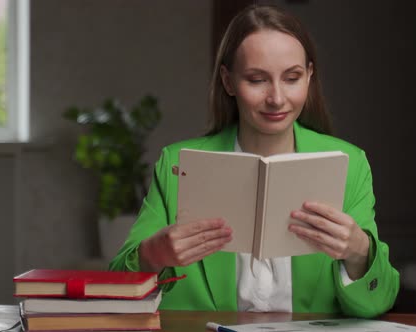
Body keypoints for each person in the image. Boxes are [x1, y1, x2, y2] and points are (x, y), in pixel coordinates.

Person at [109, 4, 399, 317]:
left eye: (292, 78)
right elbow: (115, 290)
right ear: (228, 81)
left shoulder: (349, 163)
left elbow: (376, 303)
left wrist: (359, 252)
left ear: (309, 76)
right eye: (257, 79)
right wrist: (154, 254)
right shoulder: (176, 163)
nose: (276, 98)